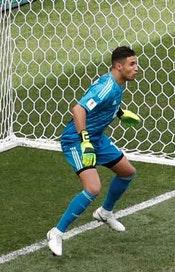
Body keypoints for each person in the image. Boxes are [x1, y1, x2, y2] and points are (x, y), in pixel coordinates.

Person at [46, 46, 143, 256]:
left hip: (97, 138)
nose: (137, 68)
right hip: (76, 141)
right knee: (93, 188)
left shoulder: (118, 84)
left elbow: (101, 105)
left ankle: (104, 212)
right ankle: (57, 232)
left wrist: (119, 113)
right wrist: (85, 140)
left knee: (127, 172)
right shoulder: (107, 86)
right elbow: (78, 109)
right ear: (119, 66)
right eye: (132, 64)